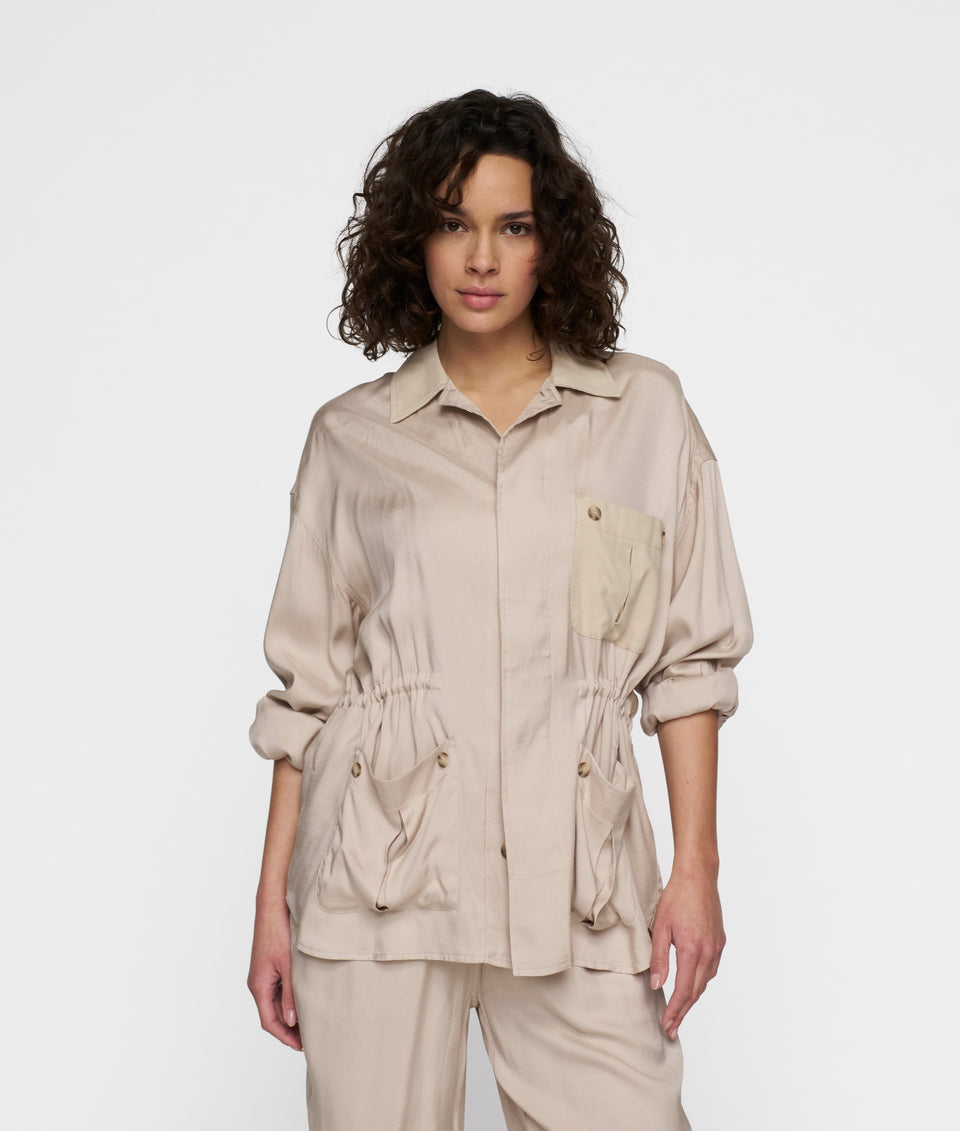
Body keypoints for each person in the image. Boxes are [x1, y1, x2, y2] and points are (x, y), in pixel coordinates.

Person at [247, 89, 753, 1131]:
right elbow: (310, 696)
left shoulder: (643, 414)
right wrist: (270, 909)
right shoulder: (352, 438)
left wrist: (696, 869)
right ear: (412, 242)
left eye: (513, 226)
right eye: (452, 223)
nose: (481, 258)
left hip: (582, 887)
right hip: (377, 887)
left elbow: (689, 665)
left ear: (551, 242)